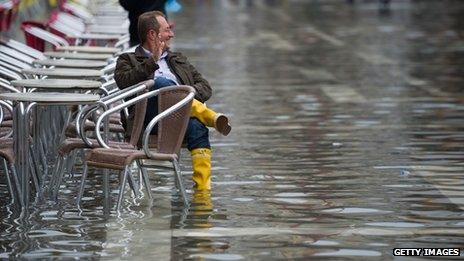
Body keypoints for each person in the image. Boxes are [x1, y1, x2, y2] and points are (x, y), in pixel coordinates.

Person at [114, 11, 231, 191]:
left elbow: (205, 87)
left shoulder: (177, 59)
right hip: (148, 120)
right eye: (167, 30)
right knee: (159, 83)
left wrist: (185, 93)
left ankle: (203, 193)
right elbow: (124, 82)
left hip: (178, 119)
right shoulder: (127, 59)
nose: (172, 34)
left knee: (197, 128)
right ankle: (209, 116)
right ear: (152, 34)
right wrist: (151, 62)